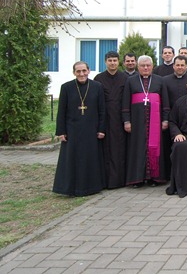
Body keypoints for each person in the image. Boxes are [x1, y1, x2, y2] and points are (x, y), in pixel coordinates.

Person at [53, 61, 106, 197]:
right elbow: (61, 111)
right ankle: (71, 188)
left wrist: (101, 129)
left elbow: (102, 110)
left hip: (91, 129)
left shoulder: (97, 86)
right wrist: (61, 131)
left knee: (90, 158)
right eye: (78, 71)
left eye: (84, 71)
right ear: (74, 73)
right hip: (72, 130)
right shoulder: (66, 87)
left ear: (88, 71)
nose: (81, 74)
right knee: (72, 159)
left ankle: (91, 187)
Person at [122, 55, 171, 187]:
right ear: (138, 67)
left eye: (148, 65)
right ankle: (138, 178)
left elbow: (165, 102)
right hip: (137, 121)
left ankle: (154, 178)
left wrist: (165, 119)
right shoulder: (130, 81)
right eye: (143, 66)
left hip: (155, 121)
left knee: (155, 148)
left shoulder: (160, 80)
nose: (145, 68)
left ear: (152, 66)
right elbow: (125, 103)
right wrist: (126, 121)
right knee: (137, 149)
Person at [94, 51, 128, 189]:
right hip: (105, 118)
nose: (112, 63)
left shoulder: (125, 78)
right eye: (110, 60)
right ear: (105, 62)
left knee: (120, 149)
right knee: (106, 150)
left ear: (118, 62)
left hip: (120, 119)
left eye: (115, 60)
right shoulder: (98, 78)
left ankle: (121, 180)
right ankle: (106, 180)